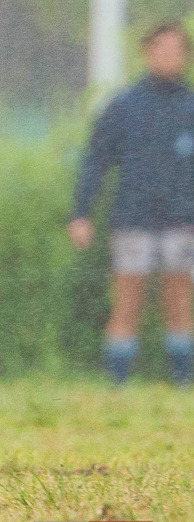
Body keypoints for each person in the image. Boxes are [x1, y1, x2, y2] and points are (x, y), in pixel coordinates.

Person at [70, 21, 194, 386]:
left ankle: (182, 380)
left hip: (182, 220)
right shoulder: (124, 106)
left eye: (176, 50)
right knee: (127, 299)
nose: (169, 57)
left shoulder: (190, 106)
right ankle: (118, 381)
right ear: (148, 53)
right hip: (134, 219)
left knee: (179, 299)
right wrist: (81, 211)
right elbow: (96, 159)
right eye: (162, 49)